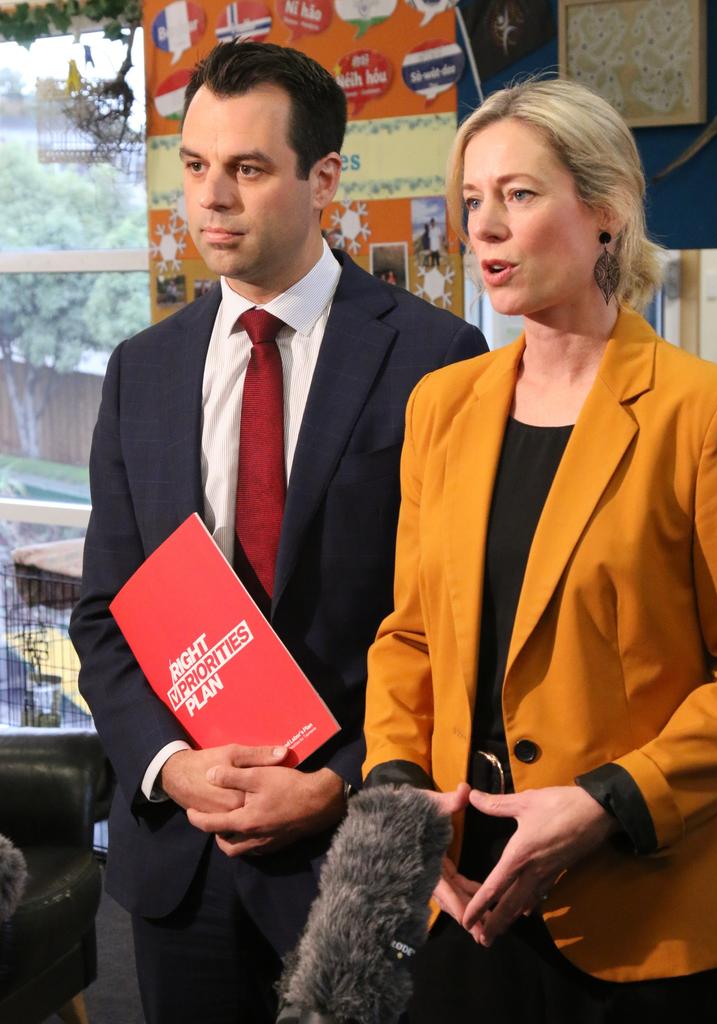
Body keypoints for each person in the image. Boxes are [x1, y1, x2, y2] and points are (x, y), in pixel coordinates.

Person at [69, 41, 486, 1024]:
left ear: (324, 178)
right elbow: (103, 617)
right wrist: (174, 766)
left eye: (249, 169)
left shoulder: (439, 358)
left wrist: (339, 785)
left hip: (359, 862)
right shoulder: (140, 370)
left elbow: (460, 631)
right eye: (196, 166)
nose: (211, 199)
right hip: (184, 860)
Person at [362, 77, 717, 1023]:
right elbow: (410, 637)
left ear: (606, 214)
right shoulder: (442, 407)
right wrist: (399, 794)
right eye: (471, 201)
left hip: (653, 918)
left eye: (519, 194)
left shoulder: (711, 415)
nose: (485, 228)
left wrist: (608, 802)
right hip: (463, 904)